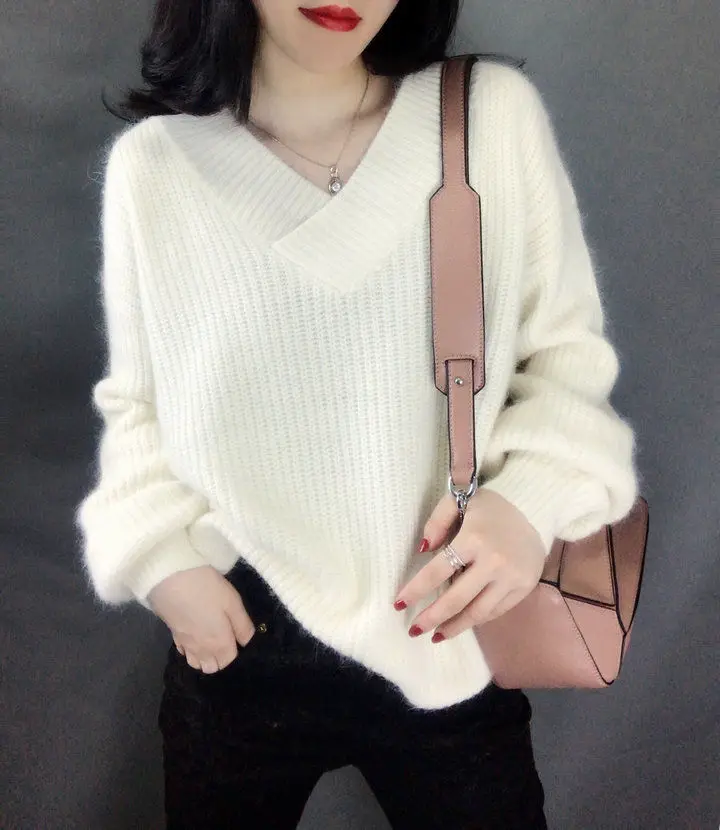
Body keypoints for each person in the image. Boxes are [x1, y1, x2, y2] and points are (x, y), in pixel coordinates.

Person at [75, 1, 639, 828]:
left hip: (444, 625)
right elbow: (136, 406)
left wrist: (528, 503)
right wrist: (161, 563)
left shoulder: (484, 119)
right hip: (240, 634)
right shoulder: (155, 166)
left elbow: (566, 360)